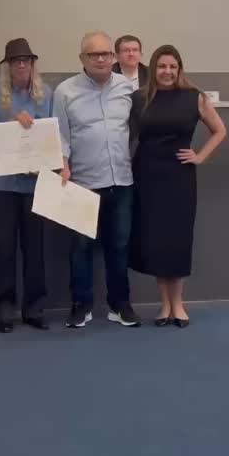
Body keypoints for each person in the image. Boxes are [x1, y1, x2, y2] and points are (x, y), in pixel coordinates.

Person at [129, 44, 226, 327]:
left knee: (178, 240)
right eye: (162, 66)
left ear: (180, 69)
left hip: (179, 177)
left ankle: (179, 305)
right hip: (147, 176)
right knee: (156, 240)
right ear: (153, 69)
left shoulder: (195, 97)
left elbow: (220, 130)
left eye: (173, 66)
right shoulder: (139, 98)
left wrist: (200, 156)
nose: (167, 71)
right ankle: (164, 305)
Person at [53, 32, 141, 329]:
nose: (101, 59)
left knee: (119, 246)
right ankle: (81, 305)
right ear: (82, 58)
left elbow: (134, 130)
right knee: (80, 248)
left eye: (105, 53)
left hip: (122, 180)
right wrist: (63, 166)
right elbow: (60, 135)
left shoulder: (126, 87)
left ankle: (120, 305)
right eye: (93, 54)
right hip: (82, 182)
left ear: (113, 57)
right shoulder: (65, 91)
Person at [0, 38, 51, 333]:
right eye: (16, 61)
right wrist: (7, 127)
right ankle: (3, 309)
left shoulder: (46, 94)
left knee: (35, 249)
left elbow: (55, 135)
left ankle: (35, 308)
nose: (22, 65)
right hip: (0, 184)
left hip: (34, 183)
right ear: (6, 66)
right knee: (2, 247)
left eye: (26, 61)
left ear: (32, 64)